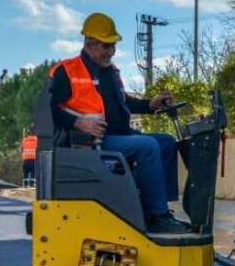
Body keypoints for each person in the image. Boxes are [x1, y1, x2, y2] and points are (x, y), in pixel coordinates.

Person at [48, 12, 189, 234]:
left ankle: (157, 209)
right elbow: (46, 110)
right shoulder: (66, 71)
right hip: (90, 142)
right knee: (148, 147)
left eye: (112, 46)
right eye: (106, 46)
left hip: (119, 135)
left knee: (166, 142)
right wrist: (78, 123)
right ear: (89, 44)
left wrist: (149, 105)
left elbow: (122, 101)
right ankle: (158, 215)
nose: (111, 52)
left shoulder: (111, 72)